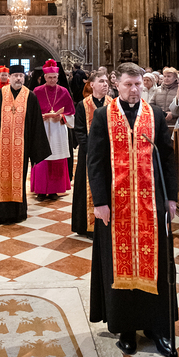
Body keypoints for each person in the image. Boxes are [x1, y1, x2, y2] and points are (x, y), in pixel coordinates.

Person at [87, 62, 178, 357]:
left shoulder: (155, 115)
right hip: (117, 205)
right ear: (117, 84)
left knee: (157, 263)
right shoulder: (103, 116)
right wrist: (100, 202)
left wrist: (172, 197)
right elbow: (95, 161)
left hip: (152, 203)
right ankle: (126, 328)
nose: (134, 89)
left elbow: (167, 157)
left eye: (138, 84)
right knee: (119, 264)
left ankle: (157, 327)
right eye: (128, 84)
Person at [0, 63, 51, 226]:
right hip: (0, 147)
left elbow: (36, 124)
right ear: (10, 78)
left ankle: (18, 213)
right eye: (15, 76)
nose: (18, 79)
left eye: (21, 76)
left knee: (18, 179)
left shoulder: (30, 96)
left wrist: (36, 150)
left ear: (24, 77)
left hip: (22, 147)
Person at [30, 59, 76, 202]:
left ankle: (54, 190)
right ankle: (41, 190)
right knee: (42, 160)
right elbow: (31, 112)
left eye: (55, 77)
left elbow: (71, 114)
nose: (52, 80)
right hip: (42, 129)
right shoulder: (37, 91)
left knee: (57, 160)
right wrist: (41, 117)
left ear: (58, 77)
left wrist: (61, 117)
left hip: (58, 130)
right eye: (49, 77)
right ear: (44, 77)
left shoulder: (63, 92)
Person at [71, 68, 109, 237]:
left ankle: (105, 225)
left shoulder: (113, 103)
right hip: (87, 153)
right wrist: (89, 149)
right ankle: (85, 226)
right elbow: (79, 130)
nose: (105, 84)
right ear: (92, 84)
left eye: (106, 81)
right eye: (101, 81)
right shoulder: (83, 105)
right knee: (84, 187)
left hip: (108, 154)